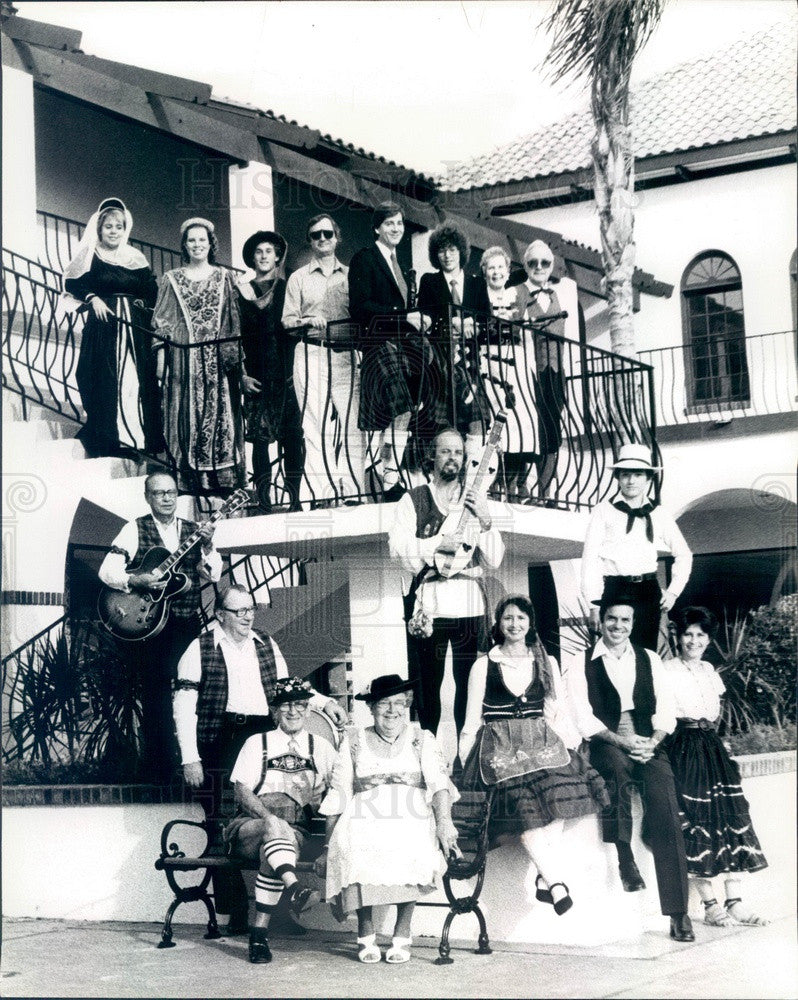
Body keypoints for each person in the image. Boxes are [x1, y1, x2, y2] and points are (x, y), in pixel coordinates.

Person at [173, 584, 347, 930]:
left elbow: (287, 687)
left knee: (278, 813)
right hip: (218, 739)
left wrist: (323, 702)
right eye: (238, 611)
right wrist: (190, 757)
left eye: (250, 609)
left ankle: (278, 912)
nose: (247, 616)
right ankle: (234, 912)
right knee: (220, 824)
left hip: (263, 736)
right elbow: (183, 706)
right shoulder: (199, 648)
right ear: (220, 614)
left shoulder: (266, 644)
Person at [459, 597, 609, 915]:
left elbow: (557, 711)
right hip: (498, 747)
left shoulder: (546, 661)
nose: (515, 624)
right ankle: (555, 882)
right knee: (525, 807)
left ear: (530, 623)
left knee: (566, 793)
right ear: (498, 624)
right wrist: (464, 764)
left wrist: (567, 746)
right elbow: (471, 720)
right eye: (508, 618)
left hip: (540, 743)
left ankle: (545, 878)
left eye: (521, 618)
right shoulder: (484, 664)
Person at [567, 593, 694, 942]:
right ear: (600, 621)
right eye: (611, 619)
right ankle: (625, 856)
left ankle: (678, 912)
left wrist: (651, 741)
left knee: (665, 802)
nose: (617, 626)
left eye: (625, 620)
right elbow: (583, 716)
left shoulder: (649, 659)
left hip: (647, 741)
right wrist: (623, 742)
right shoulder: (581, 662)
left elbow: (666, 708)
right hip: (607, 741)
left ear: (633, 624)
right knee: (616, 776)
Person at [318, 674, 459, 963]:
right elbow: (339, 793)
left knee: (409, 842)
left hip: (412, 815)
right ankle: (365, 930)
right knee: (355, 843)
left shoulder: (422, 738)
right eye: (384, 704)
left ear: (407, 706)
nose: (392, 710)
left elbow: (439, 785)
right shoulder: (353, 741)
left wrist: (445, 822)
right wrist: (326, 846)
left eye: (399, 703)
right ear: (371, 708)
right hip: (363, 817)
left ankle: (402, 931)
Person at [98, 470, 220, 783]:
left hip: (185, 622)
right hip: (150, 624)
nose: (166, 498)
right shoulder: (134, 528)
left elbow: (213, 574)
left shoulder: (194, 531)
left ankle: (198, 763)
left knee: (195, 689)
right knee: (155, 696)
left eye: (170, 493)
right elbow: (106, 570)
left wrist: (207, 546)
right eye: (158, 493)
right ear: (147, 497)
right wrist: (134, 579)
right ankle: (160, 770)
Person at [389, 428, 504, 740]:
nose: (452, 458)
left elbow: (494, 558)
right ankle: (428, 751)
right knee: (428, 685)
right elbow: (400, 551)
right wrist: (441, 543)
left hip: (469, 604)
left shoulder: (474, 500)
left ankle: (464, 755)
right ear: (432, 455)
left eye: (457, 452)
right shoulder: (413, 500)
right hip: (430, 606)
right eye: (445, 451)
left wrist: (485, 518)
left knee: (470, 683)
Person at [663, 606, 768, 928]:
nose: (694, 641)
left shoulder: (710, 671)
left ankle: (734, 900)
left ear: (708, 639)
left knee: (732, 815)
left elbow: (714, 713)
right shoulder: (666, 670)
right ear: (678, 637)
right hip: (684, 748)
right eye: (688, 634)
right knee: (698, 821)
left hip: (713, 749)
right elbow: (665, 716)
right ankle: (710, 905)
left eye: (700, 635)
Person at [225, 676, 338, 963]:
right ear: (275, 711)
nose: (293, 711)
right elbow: (241, 790)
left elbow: (340, 787)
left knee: (275, 848)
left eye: (300, 705)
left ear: (309, 710)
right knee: (273, 830)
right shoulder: (256, 742)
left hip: (295, 830)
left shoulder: (321, 746)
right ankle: (294, 890)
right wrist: (268, 818)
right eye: (286, 705)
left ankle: (260, 934)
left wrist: (321, 798)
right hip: (249, 825)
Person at [348, 201, 440, 500]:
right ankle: (388, 473)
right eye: (389, 224)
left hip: (404, 345)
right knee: (400, 406)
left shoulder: (397, 262)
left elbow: (402, 307)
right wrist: (404, 317)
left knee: (413, 404)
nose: (396, 229)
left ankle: (389, 469)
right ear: (377, 227)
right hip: (379, 345)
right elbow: (361, 307)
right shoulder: (366, 258)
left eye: (399, 224)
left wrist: (418, 317)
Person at [61, 196, 162, 457]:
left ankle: (136, 439)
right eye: (108, 227)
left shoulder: (135, 257)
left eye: (118, 226)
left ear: (124, 229)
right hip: (104, 328)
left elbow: (151, 291)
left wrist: (140, 305)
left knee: (135, 381)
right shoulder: (89, 255)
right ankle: (108, 438)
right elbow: (73, 284)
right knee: (101, 378)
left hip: (134, 328)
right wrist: (92, 299)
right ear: (99, 229)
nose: (114, 231)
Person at [152, 218, 246, 496]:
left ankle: (222, 483)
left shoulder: (225, 278)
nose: (197, 245)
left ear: (210, 243)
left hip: (218, 358)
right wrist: (161, 363)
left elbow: (233, 321)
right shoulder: (171, 279)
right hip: (184, 360)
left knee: (223, 417)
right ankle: (189, 482)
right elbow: (162, 322)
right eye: (191, 240)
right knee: (183, 415)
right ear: (184, 245)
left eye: (202, 240)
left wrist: (236, 364)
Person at [282, 215, 365, 506]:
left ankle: (354, 493)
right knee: (314, 426)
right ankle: (320, 495)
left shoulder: (352, 275)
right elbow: (288, 322)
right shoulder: (298, 278)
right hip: (311, 351)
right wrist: (307, 321)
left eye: (327, 233)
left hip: (344, 354)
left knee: (353, 424)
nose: (322, 239)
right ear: (310, 240)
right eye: (315, 235)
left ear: (336, 237)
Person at [582, 444, 693, 650]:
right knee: (614, 652)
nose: (631, 481)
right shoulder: (603, 511)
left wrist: (673, 592)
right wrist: (593, 605)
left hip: (648, 592)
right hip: (616, 589)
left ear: (648, 479)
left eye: (638, 474)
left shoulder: (659, 513)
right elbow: (590, 560)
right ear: (617, 477)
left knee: (645, 653)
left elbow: (684, 554)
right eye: (625, 474)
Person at [237, 230, 303, 512]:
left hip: (286, 375)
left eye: (269, 251)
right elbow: (233, 335)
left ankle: (295, 500)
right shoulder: (241, 292)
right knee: (261, 443)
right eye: (259, 252)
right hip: (256, 376)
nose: (264, 256)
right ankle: (263, 502)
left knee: (292, 439)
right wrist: (241, 375)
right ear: (253, 258)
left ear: (277, 257)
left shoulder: (288, 287)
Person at [417, 223, 490, 447]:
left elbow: (487, 322)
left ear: (461, 251)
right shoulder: (429, 281)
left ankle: (472, 477)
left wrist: (475, 327)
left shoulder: (477, 284)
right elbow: (425, 319)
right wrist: (453, 322)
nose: (447, 255)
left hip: (471, 364)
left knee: (477, 420)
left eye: (452, 249)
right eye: (441, 250)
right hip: (441, 364)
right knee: (442, 423)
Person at [477, 245, 536, 501]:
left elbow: (525, 334)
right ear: (484, 271)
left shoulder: (517, 297)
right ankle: (493, 480)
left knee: (519, 420)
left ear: (508, 270)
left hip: (516, 358)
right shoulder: (480, 298)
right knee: (495, 418)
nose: (497, 272)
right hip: (489, 359)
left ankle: (515, 481)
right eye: (491, 267)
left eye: (501, 267)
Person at [516, 241, 568, 502]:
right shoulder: (516, 292)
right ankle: (521, 488)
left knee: (551, 429)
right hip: (528, 371)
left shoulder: (560, 295)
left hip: (555, 372)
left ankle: (546, 492)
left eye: (544, 263)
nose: (539, 267)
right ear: (525, 266)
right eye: (532, 263)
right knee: (529, 427)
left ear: (551, 266)